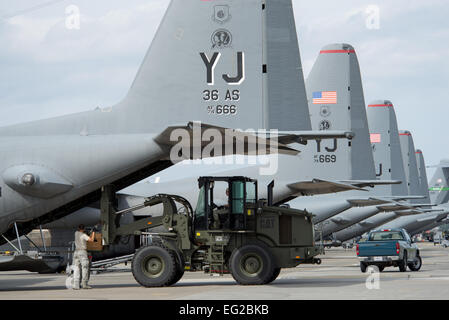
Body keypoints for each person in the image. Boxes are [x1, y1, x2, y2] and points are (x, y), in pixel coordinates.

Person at [72, 224, 95, 290]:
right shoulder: (84, 235)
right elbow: (91, 240)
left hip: (76, 252)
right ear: (84, 229)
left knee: (77, 268)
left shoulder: (76, 233)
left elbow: (81, 232)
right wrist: (93, 233)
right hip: (82, 252)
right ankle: (84, 284)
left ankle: (76, 285)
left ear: (78, 228)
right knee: (85, 268)